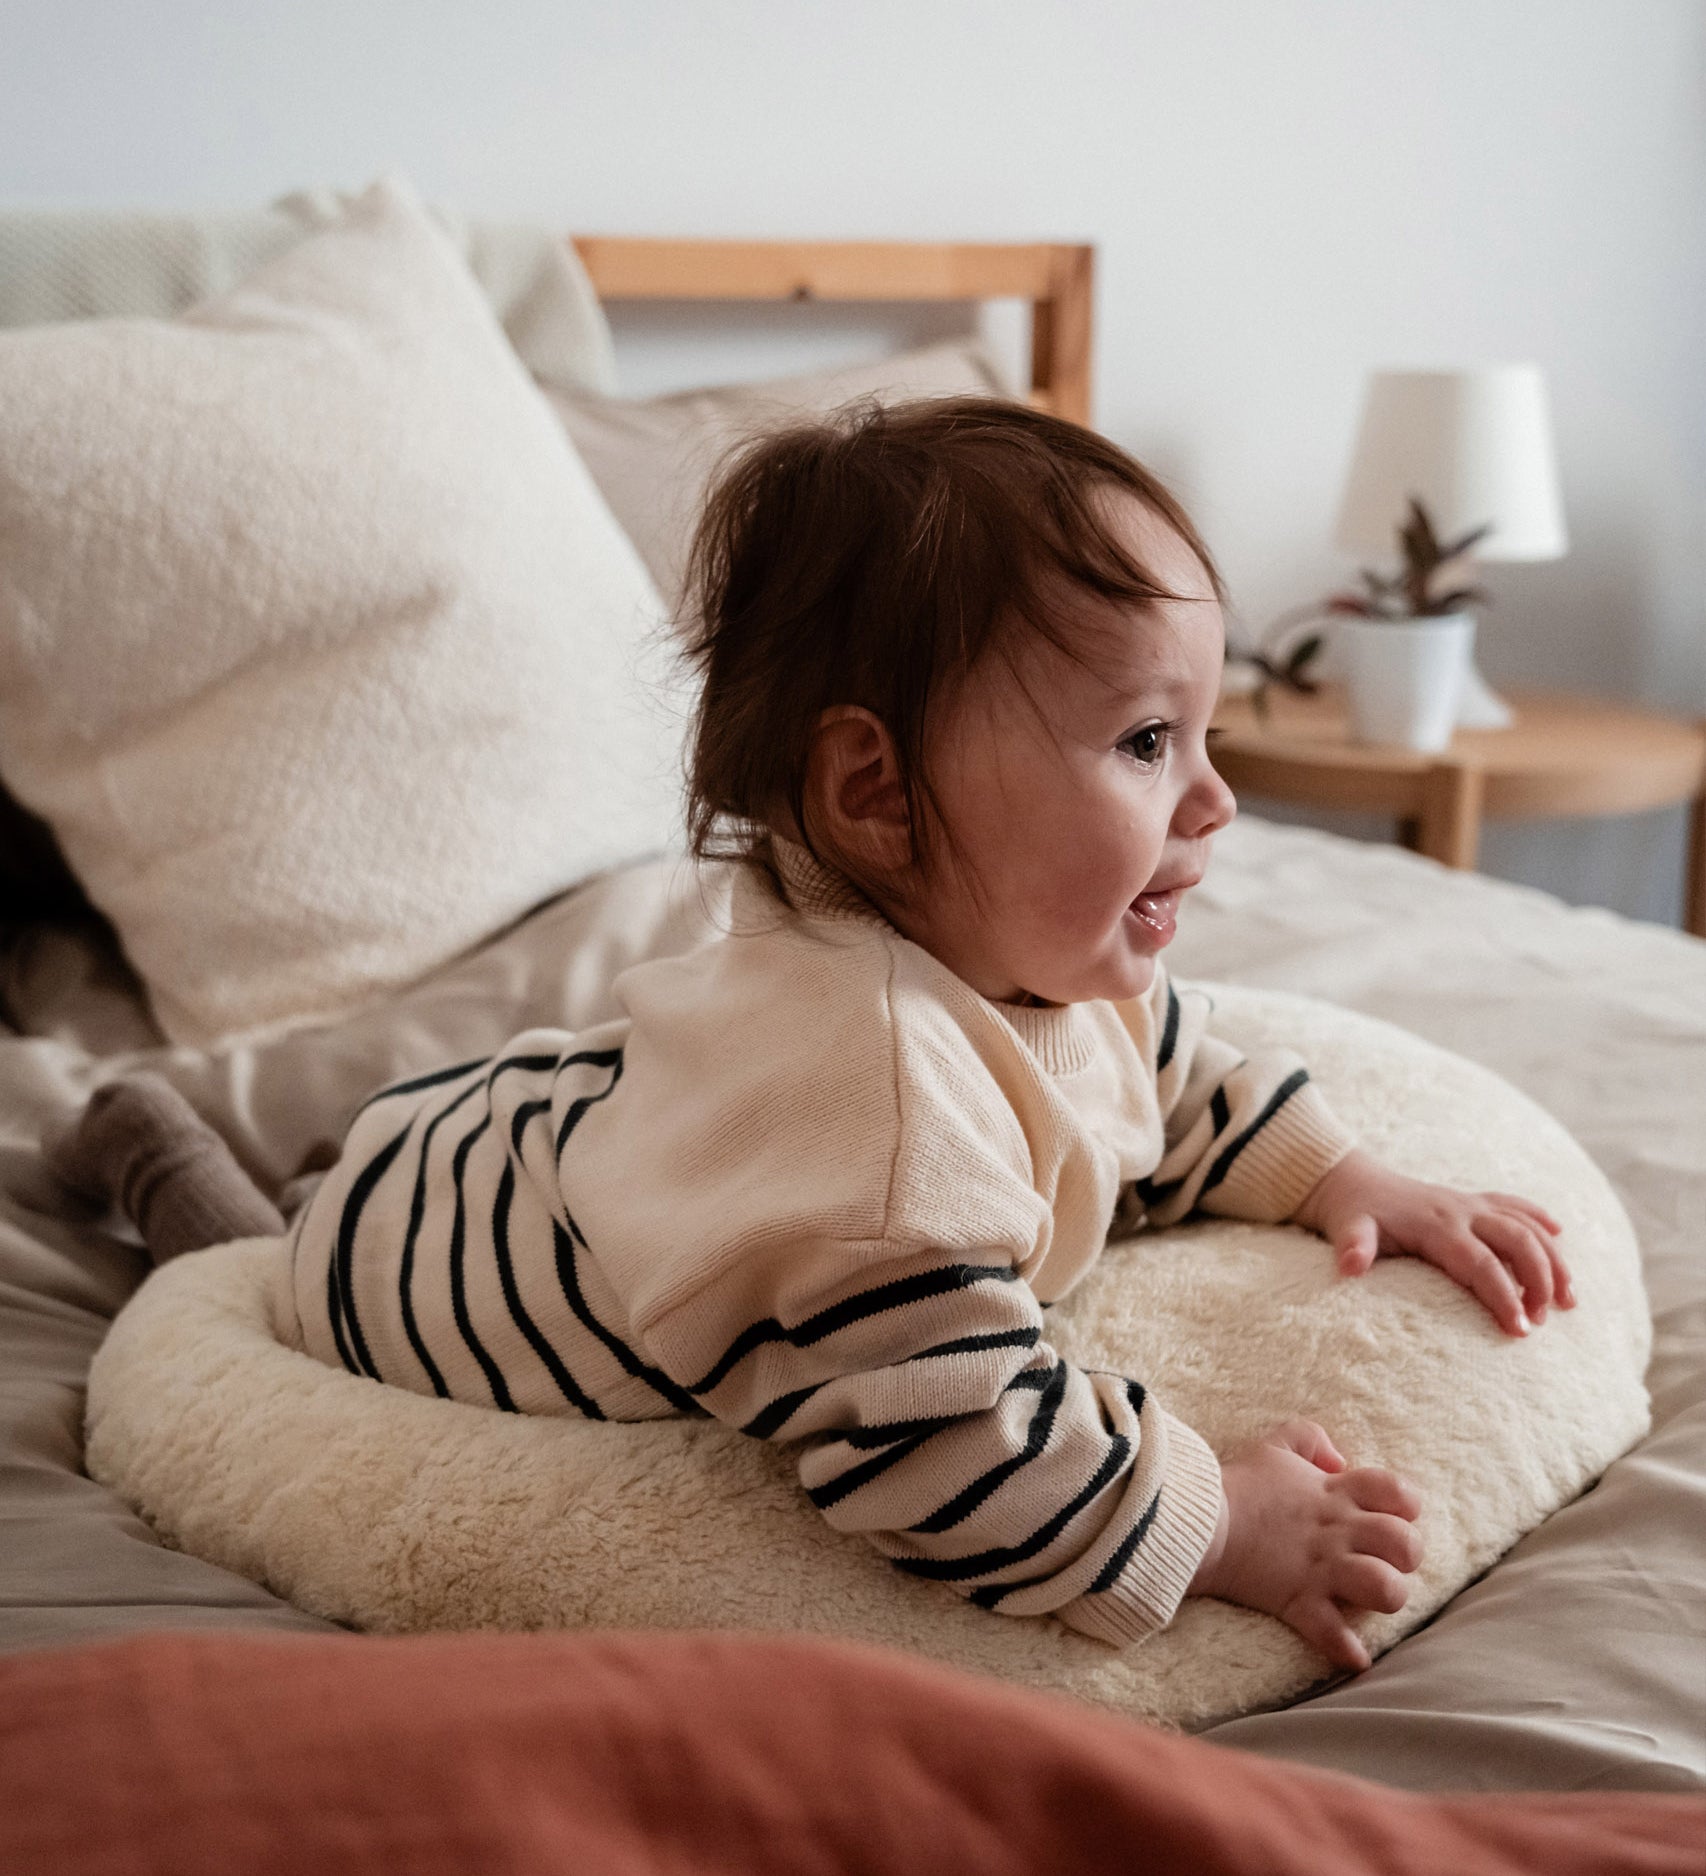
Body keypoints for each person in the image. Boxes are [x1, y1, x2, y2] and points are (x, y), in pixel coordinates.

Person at [52, 399, 1574, 1674]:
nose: (1215, 800)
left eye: (1204, 734)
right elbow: (953, 1454)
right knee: (247, 1250)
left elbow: (1167, 1081)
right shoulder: (874, 1125)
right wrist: (1221, 1521)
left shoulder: (1034, 967)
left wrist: (1337, 1177)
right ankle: (155, 1150)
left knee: (548, 1106)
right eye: (1140, 743)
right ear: (874, 795)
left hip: (596, 1128)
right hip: (430, 1242)